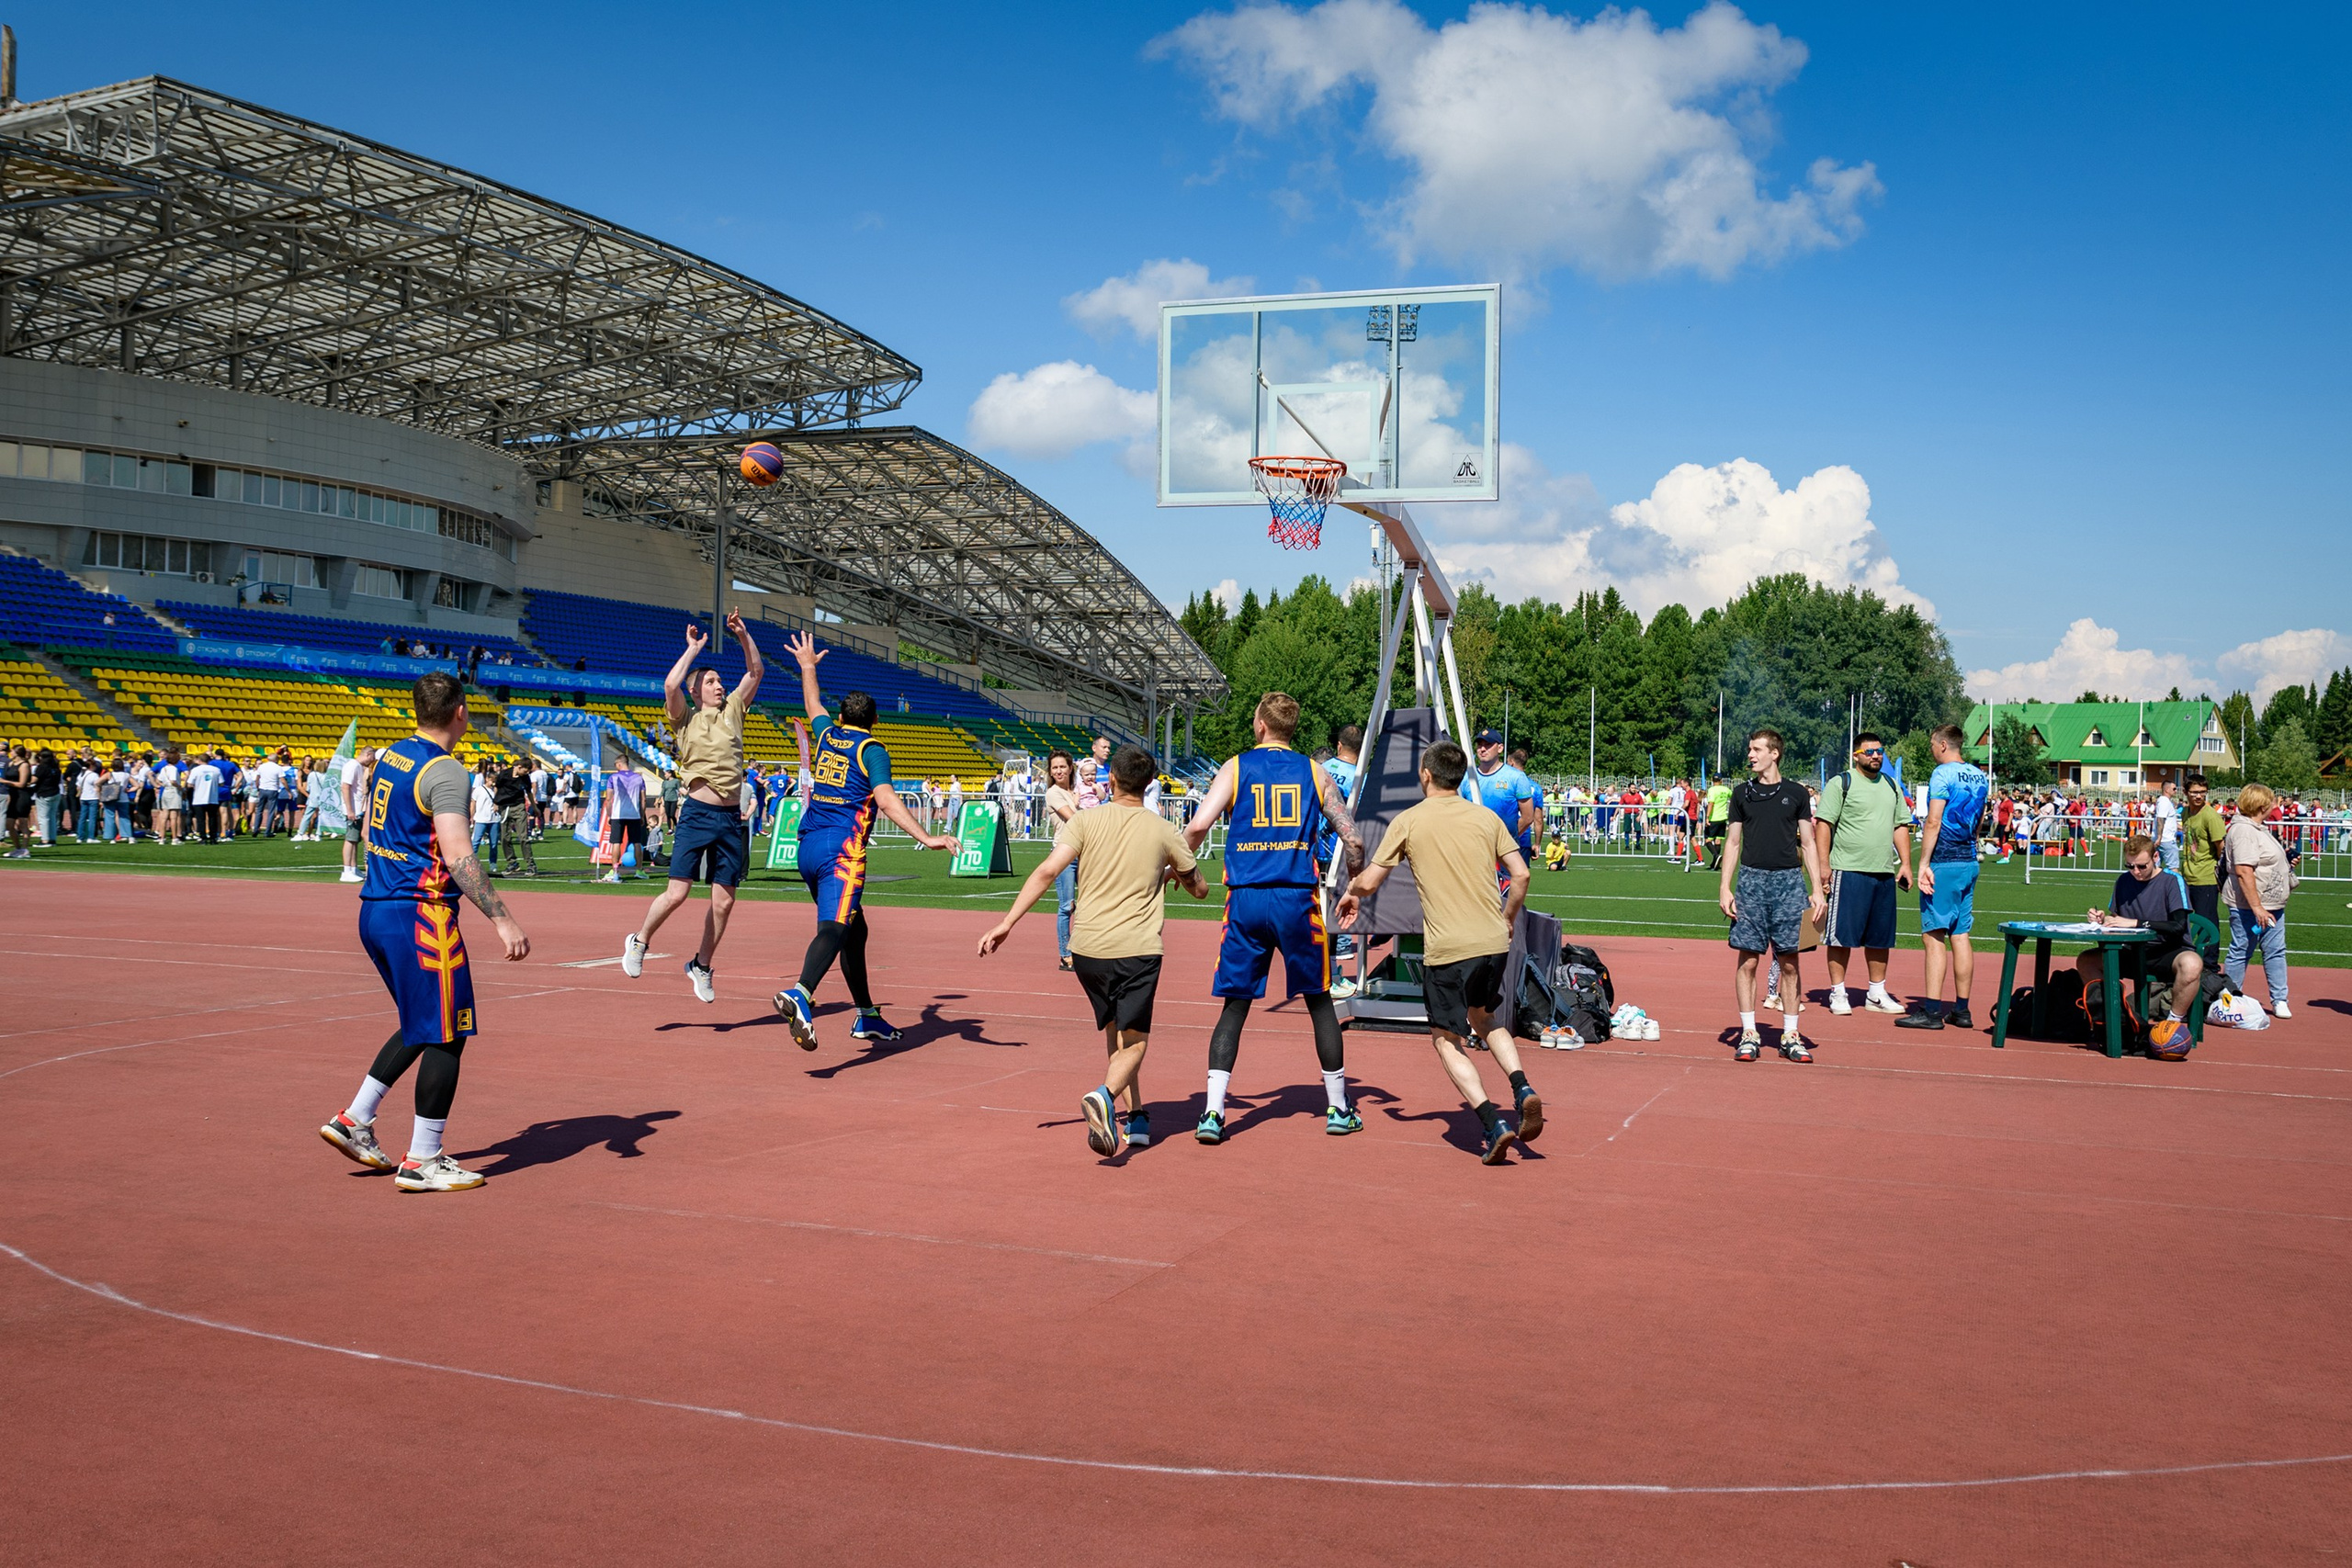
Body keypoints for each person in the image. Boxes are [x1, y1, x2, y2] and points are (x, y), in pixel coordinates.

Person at [318, 671, 531, 1193]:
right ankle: (423, 1159)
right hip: (422, 916)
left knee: (423, 1023)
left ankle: (355, 1119)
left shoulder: (392, 754)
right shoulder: (447, 772)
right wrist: (503, 919)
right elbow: (459, 855)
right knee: (448, 1033)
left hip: (377, 907)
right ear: (460, 712)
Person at [978, 743, 1208, 1156]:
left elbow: (1048, 871)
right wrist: (1176, 872)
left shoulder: (1085, 821)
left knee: (1116, 1030)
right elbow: (1200, 890)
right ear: (1151, 783)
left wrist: (1007, 922)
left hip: (1087, 949)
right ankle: (1104, 1096)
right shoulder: (1163, 830)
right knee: (1135, 1041)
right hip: (1136, 948)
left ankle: (1135, 1114)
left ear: (1112, 780)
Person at [1336, 739, 1539, 1164]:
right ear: (1461, 775)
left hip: (1448, 948)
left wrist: (1352, 892)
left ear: (1425, 775)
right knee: (1484, 1017)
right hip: (1491, 940)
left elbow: (1371, 882)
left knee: (1446, 1038)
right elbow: (1520, 875)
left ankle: (1491, 1121)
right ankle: (1522, 1087)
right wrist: (1507, 918)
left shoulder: (1409, 820)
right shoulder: (1485, 818)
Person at [1180, 693, 1365, 1147]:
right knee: (1320, 1001)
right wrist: (1356, 886)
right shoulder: (1314, 771)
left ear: (1260, 724)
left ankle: (1211, 1114)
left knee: (1235, 1005)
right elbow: (1355, 842)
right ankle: (1339, 1108)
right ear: (1291, 728)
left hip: (1245, 899)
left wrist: (1178, 867)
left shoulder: (1236, 767)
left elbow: (1198, 827)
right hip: (1296, 898)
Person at [772, 630, 957, 1049]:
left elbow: (812, 704)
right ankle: (801, 992)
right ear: (875, 721)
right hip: (842, 850)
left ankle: (867, 1016)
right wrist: (927, 837)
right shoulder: (873, 748)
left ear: (841, 718)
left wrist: (806, 667)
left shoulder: (826, 734)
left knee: (855, 931)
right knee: (835, 928)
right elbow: (888, 799)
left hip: (808, 847)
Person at [623, 612, 763, 1003]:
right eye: (711, 681)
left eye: (720, 680)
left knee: (724, 901)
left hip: (730, 818)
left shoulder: (735, 708)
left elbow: (755, 671)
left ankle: (701, 965)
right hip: (698, 814)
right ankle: (639, 940)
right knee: (677, 893)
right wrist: (693, 650)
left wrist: (744, 635)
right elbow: (671, 683)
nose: (720, 686)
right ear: (697, 690)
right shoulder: (684, 718)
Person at [1721, 728, 1827, 1062]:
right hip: (1750, 884)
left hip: (1790, 884)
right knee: (1748, 959)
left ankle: (1790, 1035)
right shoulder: (1740, 794)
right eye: (1750, 749)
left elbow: (1808, 843)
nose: (1750, 755)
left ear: (1774, 753)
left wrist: (1817, 890)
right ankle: (1749, 1033)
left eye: (1756, 749)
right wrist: (1725, 887)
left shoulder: (1797, 793)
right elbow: (1734, 843)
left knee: (1791, 963)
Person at [2074, 834, 2204, 1054]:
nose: (2136, 871)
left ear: (2155, 857)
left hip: (2168, 951)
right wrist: (2101, 919)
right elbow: (2117, 920)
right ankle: (2115, 1018)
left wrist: (2136, 923)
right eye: (2130, 866)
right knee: (2086, 960)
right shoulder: (2123, 881)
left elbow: (2178, 926)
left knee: (2192, 964)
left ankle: (2171, 1025)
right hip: (2132, 950)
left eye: (2142, 866)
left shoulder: (2173, 881)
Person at [1897, 726, 1990, 1032]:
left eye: (1931, 744)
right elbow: (1978, 820)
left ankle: (1933, 1011)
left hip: (1945, 862)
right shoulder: (1979, 775)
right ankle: (1961, 1010)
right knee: (1960, 935)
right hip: (1968, 860)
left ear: (1942, 744)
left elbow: (1933, 820)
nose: (1930, 749)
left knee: (1933, 935)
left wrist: (1924, 863)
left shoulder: (1942, 774)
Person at [1815, 732, 1914, 1017]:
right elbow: (1824, 825)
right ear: (1856, 755)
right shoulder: (1841, 783)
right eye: (1869, 751)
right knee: (1840, 937)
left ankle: (1876, 993)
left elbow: (1900, 826)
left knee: (1880, 938)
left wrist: (1905, 863)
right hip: (1848, 870)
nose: (1876, 756)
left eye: (1880, 751)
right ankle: (1838, 992)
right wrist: (1824, 865)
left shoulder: (1892, 785)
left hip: (1883, 871)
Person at [2222, 783, 2294, 1020]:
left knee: (2275, 951)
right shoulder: (2244, 831)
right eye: (2271, 801)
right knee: (2242, 950)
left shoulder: (2258, 828)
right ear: (2261, 805)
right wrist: (2257, 908)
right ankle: (2230, 998)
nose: (2275, 805)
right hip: (2250, 906)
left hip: (2272, 905)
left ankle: (2280, 999)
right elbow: (2244, 870)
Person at [1462, 728, 1537, 889]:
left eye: (1488, 745)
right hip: (1474, 851)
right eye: (1480, 745)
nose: (1482, 749)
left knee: (1506, 899)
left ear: (1500, 748)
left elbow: (1527, 817)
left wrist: (1504, 838)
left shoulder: (1515, 777)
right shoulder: (1466, 778)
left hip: (1505, 853)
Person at [1041, 750, 1081, 970]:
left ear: (1070, 768)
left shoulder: (1078, 790)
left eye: (1062, 767)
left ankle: (1084, 949)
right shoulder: (1053, 793)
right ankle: (1065, 954)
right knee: (1067, 906)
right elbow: (1073, 818)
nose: (1058, 771)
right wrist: (1079, 802)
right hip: (1064, 853)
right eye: (1054, 767)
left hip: (1083, 852)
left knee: (1088, 903)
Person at [2178, 774, 2228, 947]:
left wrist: (2221, 876)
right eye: (2194, 793)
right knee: (2187, 921)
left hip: (2205, 877)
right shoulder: (2186, 812)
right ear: (2185, 792)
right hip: (2188, 875)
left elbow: (2221, 848)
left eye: (2202, 792)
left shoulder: (2211, 816)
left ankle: (2209, 963)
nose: (2199, 796)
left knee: (2207, 922)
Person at [598, 755, 648, 883]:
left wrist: (609, 815)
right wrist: (642, 815)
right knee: (636, 842)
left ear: (619, 764)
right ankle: (640, 870)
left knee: (616, 842)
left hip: (618, 814)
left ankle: (615, 871)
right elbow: (643, 800)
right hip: (634, 814)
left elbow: (608, 799)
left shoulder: (614, 777)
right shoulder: (639, 778)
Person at [495, 758, 537, 877]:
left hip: (519, 807)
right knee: (505, 838)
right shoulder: (504, 774)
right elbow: (497, 788)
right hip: (505, 808)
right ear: (519, 767)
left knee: (523, 837)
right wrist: (495, 803)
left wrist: (534, 807)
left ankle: (531, 865)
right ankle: (512, 863)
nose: (527, 773)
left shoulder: (525, 778)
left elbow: (528, 792)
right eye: (525, 771)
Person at [338, 747, 375, 882]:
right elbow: (345, 786)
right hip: (353, 809)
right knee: (350, 839)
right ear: (368, 754)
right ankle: (347, 869)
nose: (372, 761)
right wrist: (350, 810)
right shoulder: (352, 766)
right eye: (372, 757)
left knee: (355, 840)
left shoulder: (358, 766)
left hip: (358, 808)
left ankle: (353, 868)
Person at [188, 750, 224, 846]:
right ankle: (213, 838)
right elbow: (221, 783)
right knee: (213, 818)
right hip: (212, 797)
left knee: (201, 819)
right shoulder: (216, 770)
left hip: (199, 798)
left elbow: (190, 783)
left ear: (200, 760)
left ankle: (203, 838)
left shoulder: (195, 770)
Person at [3, 746, 29, 858]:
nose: (10, 753)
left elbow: (22, 784)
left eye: (12, 751)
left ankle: (25, 849)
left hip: (22, 796)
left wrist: (5, 781)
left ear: (18, 753)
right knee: (9, 824)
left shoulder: (24, 765)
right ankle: (18, 848)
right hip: (13, 796)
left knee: (22, 824)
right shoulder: (10, 764)